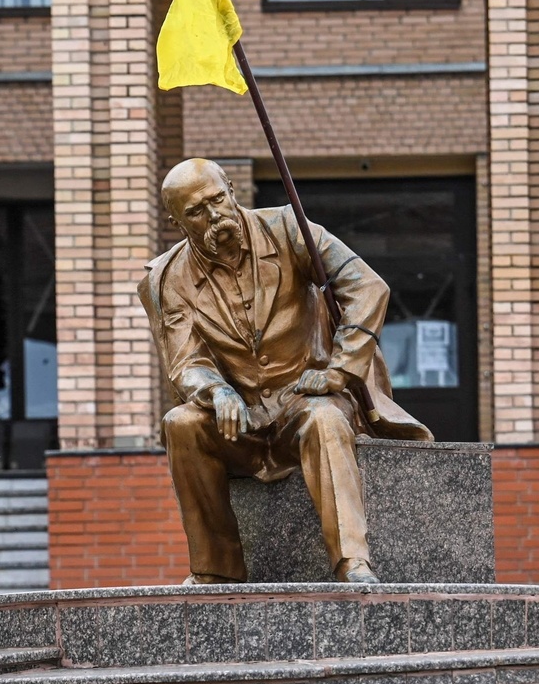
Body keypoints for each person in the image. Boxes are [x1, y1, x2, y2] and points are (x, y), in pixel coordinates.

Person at [139, 158, 431, 585]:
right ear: (177, 221)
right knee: (179, 423)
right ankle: (215, 569)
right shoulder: (165, 279)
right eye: (197, 211)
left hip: (305, 398)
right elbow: (185, 362)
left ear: (232, 189)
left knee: (326, 419)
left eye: (218, 199)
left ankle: (353, 563)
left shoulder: (290, 228)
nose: (215, 215)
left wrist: (340, 370)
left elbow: (367, 287)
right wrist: (216, 392)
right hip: (240, 419)